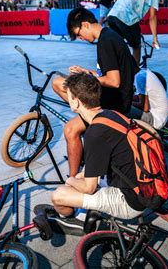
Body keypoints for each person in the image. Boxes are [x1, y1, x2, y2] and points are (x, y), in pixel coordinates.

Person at [34, 72, 145, 231]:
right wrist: (79, 177)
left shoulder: (94, 133)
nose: (68, 99)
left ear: (77, 102)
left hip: (130, 201)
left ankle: (70, 221)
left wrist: (70, 180)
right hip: (139, 184)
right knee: (81, 176)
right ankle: (82, 208)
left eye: (70, 96)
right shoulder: (111, 114)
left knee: (58, 195)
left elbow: (89, 188)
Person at [51, 7, 137, 177]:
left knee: (70, 129)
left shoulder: (105, 42)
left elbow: (113, 81)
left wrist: (88, 79)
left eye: (79, 34)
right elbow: (114, 72)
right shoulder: (110, 35)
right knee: (60, 83)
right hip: (118, 97)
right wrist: (87, 72)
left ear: (85, 24)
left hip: (114, 104)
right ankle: (85, 117)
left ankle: (73, 179)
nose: (81, 38)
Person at [107, 0, 168, 65]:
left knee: (117, 45)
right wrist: (155, 38)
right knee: (136, 46)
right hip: (127, 18)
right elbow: (152, 16)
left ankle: (115, 69)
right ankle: (133, 74)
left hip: (112, 15)